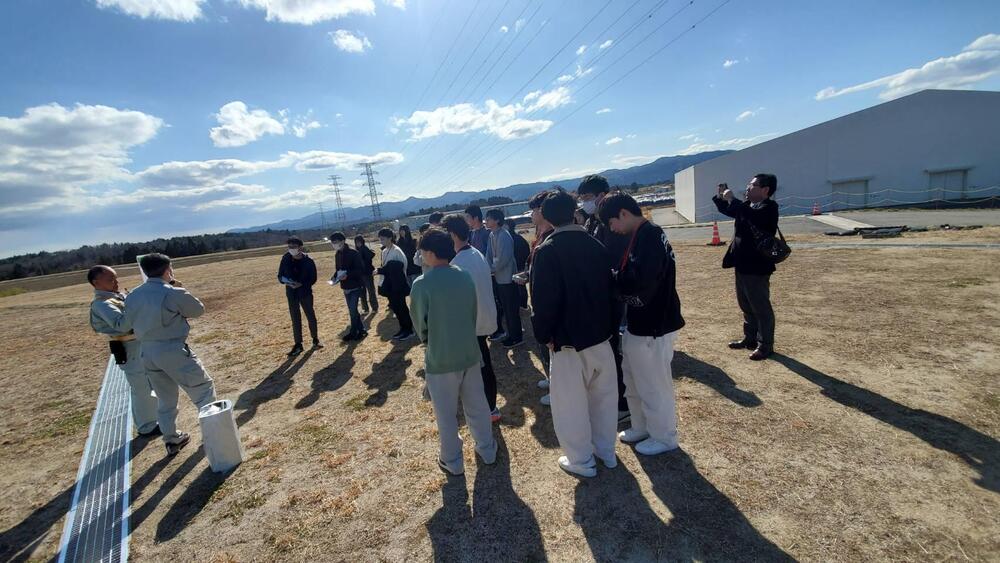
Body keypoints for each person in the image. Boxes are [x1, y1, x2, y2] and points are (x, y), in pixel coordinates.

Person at [530, 190, 618, 477]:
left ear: (547, 216)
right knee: (603, 400)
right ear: (574, 211)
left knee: (570, 405)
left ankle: (581, 460)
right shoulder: (596, 244)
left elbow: (543, 301)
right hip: (601, 337)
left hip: (567, 341)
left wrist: (544, 334)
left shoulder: (547, 250)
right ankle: (606, 451)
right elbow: (612, 293)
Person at [599, 192, 685, 455]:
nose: (613, 229)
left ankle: (664, 436)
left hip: (654, 324)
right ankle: (642, 425)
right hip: (639, 323)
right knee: (633, 378)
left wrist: (613, 282)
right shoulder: (641, 235)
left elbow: (641, 281)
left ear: (623, 213)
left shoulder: (650, 236)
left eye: (612, 223)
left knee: (653, 384)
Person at [410, 230, 498, 475]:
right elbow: (472, 312)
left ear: (429, 253)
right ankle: (487, 448)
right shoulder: (464, 276)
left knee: (446, 413)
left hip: (441, 356)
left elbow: (420, 323)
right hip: (469, 351)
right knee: (478, 405)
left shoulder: (422, 284)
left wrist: (429, 339)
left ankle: (452, 460)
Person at [123, 254, 217, 456]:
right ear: (168, 270)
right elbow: (197, 310)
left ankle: (172, 439)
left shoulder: (133, 296)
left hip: (147, 351)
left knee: (165, 399)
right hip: (172, 349)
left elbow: (128, 322)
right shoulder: (172, 292)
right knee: (202, 389)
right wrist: (179, 287)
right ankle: (214, 434)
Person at [577, 174, 631, 424]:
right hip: (598, 294)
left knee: (613, 350)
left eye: (587, 197)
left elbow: (614, 257)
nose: (584, 202)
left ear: (602, 195)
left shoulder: (613, 222)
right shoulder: (592, 221)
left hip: (612, 294)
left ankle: (622, 403)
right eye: (582, 198)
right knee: (604, 351)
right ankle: (608, 398)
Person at [712, 174, 780, 360]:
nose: (748, 188)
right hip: (741, 263)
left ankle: (765, 345)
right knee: (746, 304)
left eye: (752, 185)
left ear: (765, 190)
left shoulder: (769, 208)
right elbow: (731, 211)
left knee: (760, 307)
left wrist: (733, 199)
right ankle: (750, 338)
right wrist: (721, 198)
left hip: (757, 266)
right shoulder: (748, 206)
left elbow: (751, 216)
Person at [87, 265, 160, 437]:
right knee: (141, 387)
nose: (116, 282)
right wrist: (136, 307)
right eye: (110, 279)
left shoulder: (116, 297)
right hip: (130, 348)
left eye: (115, 277)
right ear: (96, 283)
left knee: (150, 382)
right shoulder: (102, 304)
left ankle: (155, 418)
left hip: (139, 345)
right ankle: (147, 426)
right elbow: (121, 325)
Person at [443, 214, 501, 422]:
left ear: (452, 235)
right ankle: (490, 406)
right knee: (484, 363)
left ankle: (489, 408)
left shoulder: (459, 263)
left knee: (480, 368)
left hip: (472, 324)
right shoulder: (475, 253)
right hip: (484, 318)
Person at [519, 190, 555, 405]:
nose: (531, 215)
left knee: (550, 343)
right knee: (543, 344)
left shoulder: (551, 235)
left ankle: (557, 387)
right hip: (536, 294)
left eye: (533, 210)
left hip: (546, 299)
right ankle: (551, 379)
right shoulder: (540, 233)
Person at [277, 237, 321, 356]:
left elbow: (313, 278)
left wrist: (301, 284)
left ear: (300, 247)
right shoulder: (285, 258)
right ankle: (298, 344)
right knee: (295, 318)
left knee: (310, 315)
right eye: (289, 247)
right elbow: (280, 276)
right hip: (291, 293)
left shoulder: (308, 261)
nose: (291, 249)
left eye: (294, 247)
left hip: (305, 293)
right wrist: (287, 282)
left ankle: (315, 339)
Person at [485, 208, 523, 348]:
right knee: (506, 309)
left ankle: (517, 337)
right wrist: (488, 267)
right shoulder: (492, 235)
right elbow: (489, 254)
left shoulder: (504, 235)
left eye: (488, 218)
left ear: (497, 220)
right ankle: (511, 334)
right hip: (498, 277)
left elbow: (504, 259)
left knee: (511, 309)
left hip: (507, 278)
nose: (486, 221)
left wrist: (491, 269)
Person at [376, 228, 415, 341]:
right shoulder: (384, 251)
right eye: (380, 239)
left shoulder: (397, 251)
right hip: (389, 285)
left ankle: (409, 330)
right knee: (396, 308)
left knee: (402, 307)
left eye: (383, 238)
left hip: (398, 284)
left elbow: (402, 266)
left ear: (390, 238)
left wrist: (386, 270)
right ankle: (402, 328)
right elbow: (385, 267)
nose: (381, 241)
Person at [330, 232, 368, 341]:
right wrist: (334, 278)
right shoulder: (337, 254)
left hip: (356, 286)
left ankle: (353, 332)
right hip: (345, 287)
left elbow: (360, 270)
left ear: (343, 241)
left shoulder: (353, 253)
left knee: (352, 310)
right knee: (353, 310)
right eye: (332, 242)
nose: (334, 244)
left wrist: (347, 275)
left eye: (336, 242)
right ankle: (362, 331)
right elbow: (338, 269)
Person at [506, 218, 530, 309]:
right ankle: (524, 307)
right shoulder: (520, 239)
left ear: (507, 227)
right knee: (522, 290)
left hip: (515, 270)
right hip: (522, 268)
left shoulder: (508, 240)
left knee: (517, 291)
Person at [354, 235, 379, 315]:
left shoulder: (364, 249)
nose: (358, 243)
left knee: (371, 291)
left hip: (367, 274)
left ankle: (374, 308)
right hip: (360, 275)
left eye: (359, 242)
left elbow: (371, 255)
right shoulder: (357, 251)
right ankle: (365, 309)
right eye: (356, 242)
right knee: (362, 293)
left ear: (362, 242)